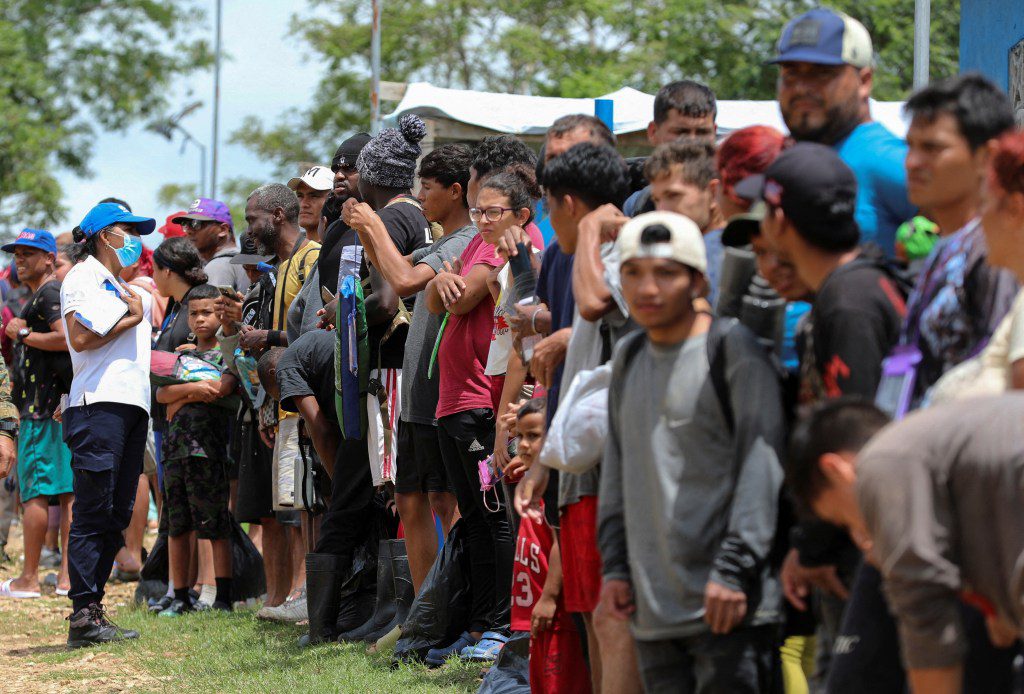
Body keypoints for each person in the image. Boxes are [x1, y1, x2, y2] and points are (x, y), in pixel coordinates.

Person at [599, 211, 785, 691]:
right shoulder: (629, 355)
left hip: (726, 608)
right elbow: (618, 469)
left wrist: (733, 570)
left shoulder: (732, 349)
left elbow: (761, 468)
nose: (647, 289)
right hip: (653, 609)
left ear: (698, 280)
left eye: (666, 273)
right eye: (633, 273)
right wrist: (616, 568)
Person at [785, 395, 1024, 694]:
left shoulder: (885, 461)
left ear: (836, 469)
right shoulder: (947, 439)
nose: (860, 539)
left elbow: (926, 614)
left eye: (845, 521)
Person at [520, 141, 636, 693]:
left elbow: (594, 306)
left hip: (609, 466)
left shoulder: (614, 252)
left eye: (546, 204)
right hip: (582, 460)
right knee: (593, 611)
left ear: (565, 203)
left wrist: (590, 234)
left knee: (609, 618)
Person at [423, 159, 545, 664]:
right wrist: (440, 286)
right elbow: (438, 301)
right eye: (476, 211)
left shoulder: (525, 256)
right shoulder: (480, 245)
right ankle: (475, 625)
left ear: (522, 213)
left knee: (496, 519)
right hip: (454, 400)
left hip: (486, 402)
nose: (482, 220)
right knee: (472, 518)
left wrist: (503, 416)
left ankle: (500, 627)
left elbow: (516, 342)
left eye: (492, 212)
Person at [346, 142, 474, 597]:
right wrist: (366, 233)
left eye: (429, 187)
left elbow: (401, 281)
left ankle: (451, 605)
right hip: (419, 396)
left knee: (446, 501)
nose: (420, 196)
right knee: (410, 499)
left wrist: (371, 223)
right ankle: (424, 611)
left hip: (442, 396)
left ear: (456, 192)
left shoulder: (464, 241)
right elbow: (394, 269)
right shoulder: (441, 241)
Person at [61, 201, 155, 647]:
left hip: (129, 406)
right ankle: (83, 612)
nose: (134, 238)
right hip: (98, 405)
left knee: (116, 513)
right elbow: (79, 336)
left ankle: (92, 609)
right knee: (95, 509)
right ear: (103, 234)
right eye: (126, 230)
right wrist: (131, 318)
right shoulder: (84, 277)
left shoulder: (120, 283)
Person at [894, 73, 1018, 409]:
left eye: (932, 148)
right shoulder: (946, 244)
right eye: (911, 146)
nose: (912, 162)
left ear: (986, 156)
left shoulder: (996, 252)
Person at [771, 7, 916, 255]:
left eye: (822, 73)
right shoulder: (789, 161)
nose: (802, 87)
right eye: (791, 73)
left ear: (864, 81)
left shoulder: (889, 162)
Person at [154, 284, 237, 615]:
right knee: (177, 524)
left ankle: (224, 596)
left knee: (215, 523)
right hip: (175, 449)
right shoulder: (181, 354)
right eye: (194, 313)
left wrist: (181, 393)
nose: (200, 319)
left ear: (220, 314)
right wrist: (191, 390)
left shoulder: (226, 355)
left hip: (208, 449)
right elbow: (160, 397)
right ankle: (180, 595)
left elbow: (219, 388)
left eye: (208, 313)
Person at [0, 229, 73, 599]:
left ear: (49, 258)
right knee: (66, 492)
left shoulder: (50, 292)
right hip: (54, 407)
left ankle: (28, 579)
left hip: (43, 411)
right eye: (16, 254)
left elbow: (67, 339)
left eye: (29, 253)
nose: (20, 259)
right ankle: (65, 578)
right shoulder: (46, 293)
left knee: (36, 495)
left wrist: (22, 333)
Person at [506, 397, 590, 693]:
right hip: (537, 617)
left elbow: (561, 543)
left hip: (557, 614)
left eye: (534, 436)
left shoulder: (555, 485)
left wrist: (550, 597)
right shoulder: (531, 482)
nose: (524, 445)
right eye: (520, 436)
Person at [645, 140, 726, 304]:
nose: (661, 210)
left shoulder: (712, 255)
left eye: (673, 196)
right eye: (656, 199)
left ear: (713, 192)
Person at [623, 80, 718, 216]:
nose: (692, 142)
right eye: (681, 132)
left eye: (702, 132)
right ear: (653, 132)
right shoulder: (637, 205)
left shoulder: (737, 195)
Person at [173, 198, 248, 293]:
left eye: (196, 223)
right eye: (186, 224)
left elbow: (210, 307)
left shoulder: (218, 265)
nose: (189, 231)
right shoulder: (246, 260)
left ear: (223, 230)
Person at [288, 165, 333, 243]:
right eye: (300, 196)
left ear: (333, 200)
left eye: (314, 196)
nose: (304, 204)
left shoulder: (344, 246)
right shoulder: (290, 250)